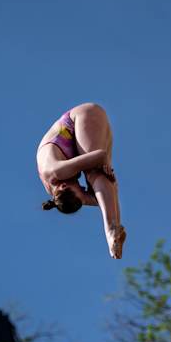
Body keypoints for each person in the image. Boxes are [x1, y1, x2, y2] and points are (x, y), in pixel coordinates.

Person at [36, 103, 126, 259]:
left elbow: (100, 156)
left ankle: (110, 229)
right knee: (100, 181)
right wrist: (92, 196)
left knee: (93, 173)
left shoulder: (56, 171)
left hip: (81, 117)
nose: (81, 185)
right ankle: (115, 228)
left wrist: (90, 193)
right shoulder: (58, 189)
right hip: (83, 131)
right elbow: (107, 194)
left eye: (79, 188)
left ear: (63, 186)